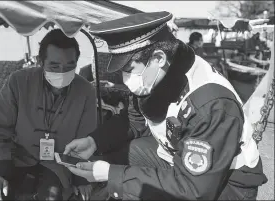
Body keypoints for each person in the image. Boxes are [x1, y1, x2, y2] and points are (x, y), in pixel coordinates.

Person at [64, 11, 268, 200]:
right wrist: (94, 141)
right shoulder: (155, 76)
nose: (127, 79)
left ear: (158, 58)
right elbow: (133, 120)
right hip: (175, 156)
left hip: (226, 183)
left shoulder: (212, 105)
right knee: (126, 154)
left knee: (122, 177)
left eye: (129, 69)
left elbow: (194, 189)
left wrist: (112, 175)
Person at [0, 29, 97, 200]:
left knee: (52, 196)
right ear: (40, 61)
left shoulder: (86, 91)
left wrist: (81, 178)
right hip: (17, 157)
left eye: (70, 66)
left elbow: (86, 139)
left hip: (58, 163)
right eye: (54, 66)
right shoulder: (18, 82)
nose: (62, 72)